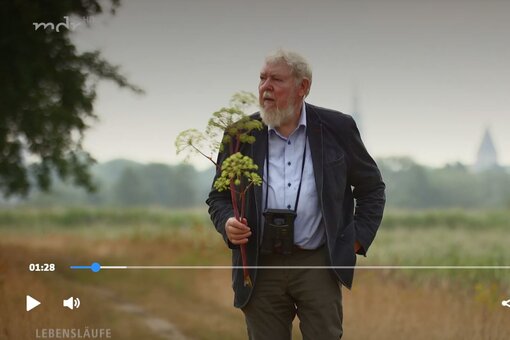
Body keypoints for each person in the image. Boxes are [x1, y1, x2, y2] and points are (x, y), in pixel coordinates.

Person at [206, 49, 385, 340]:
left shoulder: (338, 128)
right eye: (262, 79)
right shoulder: (239, 135)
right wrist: (227, 223)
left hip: (318, 263)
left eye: (276, 79)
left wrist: (353, 240)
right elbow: (219, 198)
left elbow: (372, 189)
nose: (265, 87)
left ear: (303, 87)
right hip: (259, 265)